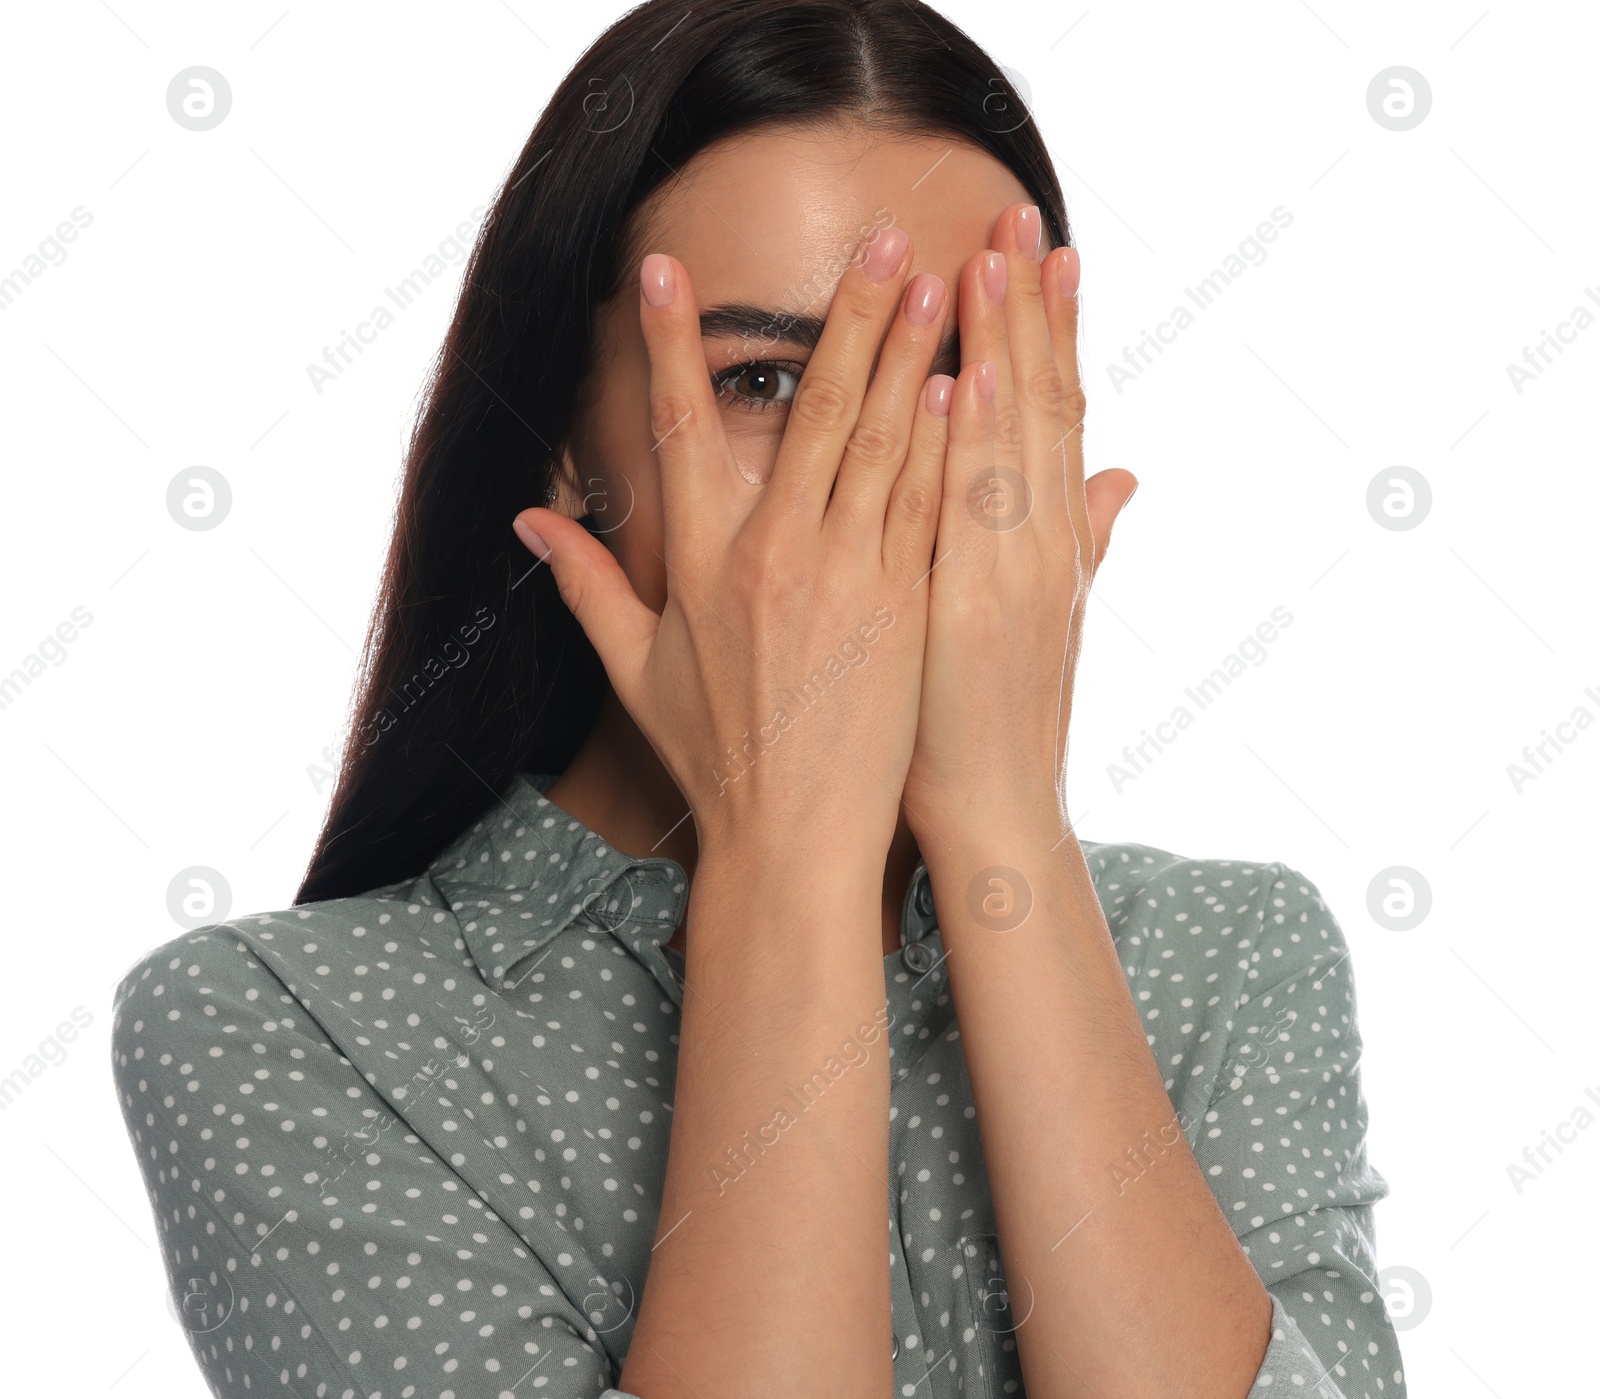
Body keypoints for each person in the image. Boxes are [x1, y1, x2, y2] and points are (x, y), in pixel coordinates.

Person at [111, 3, 1404, 1395]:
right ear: (561, 448)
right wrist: (790, 853)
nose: (879, 467)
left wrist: (999, 821)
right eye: (769, 380)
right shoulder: (282, 1032)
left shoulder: (1225, 956)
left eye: (960, 377)